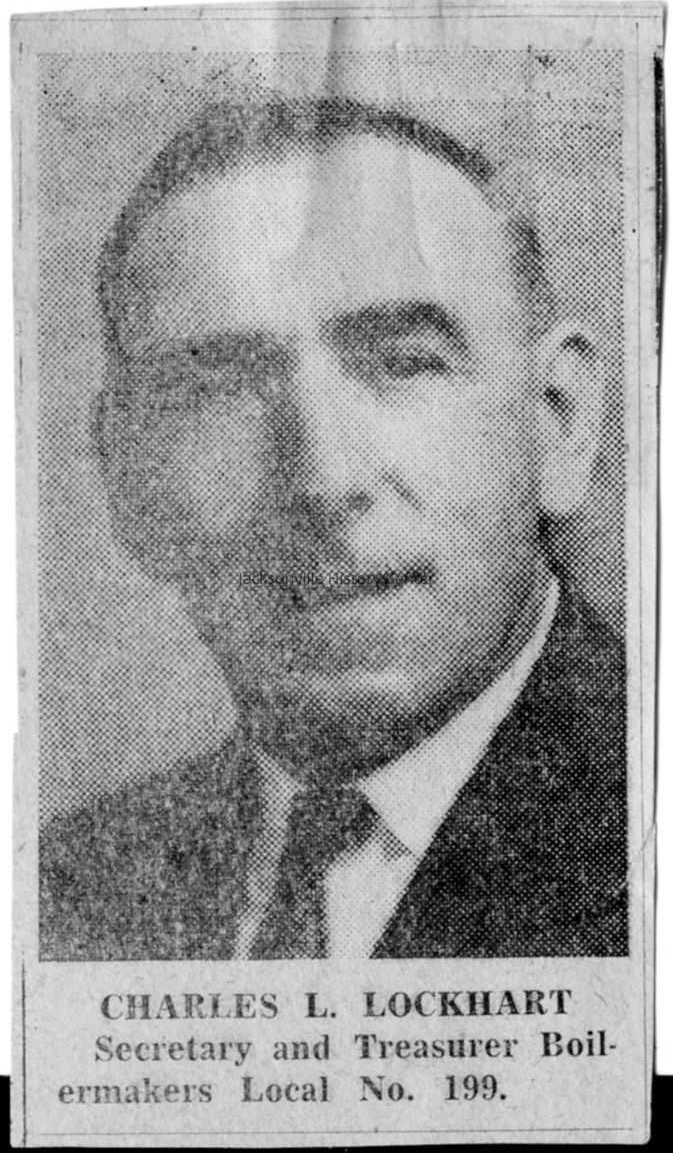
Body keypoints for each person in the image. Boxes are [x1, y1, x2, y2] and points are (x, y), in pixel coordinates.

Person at [40, 96, 627, 960]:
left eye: (403, 364)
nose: (323, 479)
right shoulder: (58, 891)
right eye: (219, 387)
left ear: (557, 423)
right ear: (129, 476)